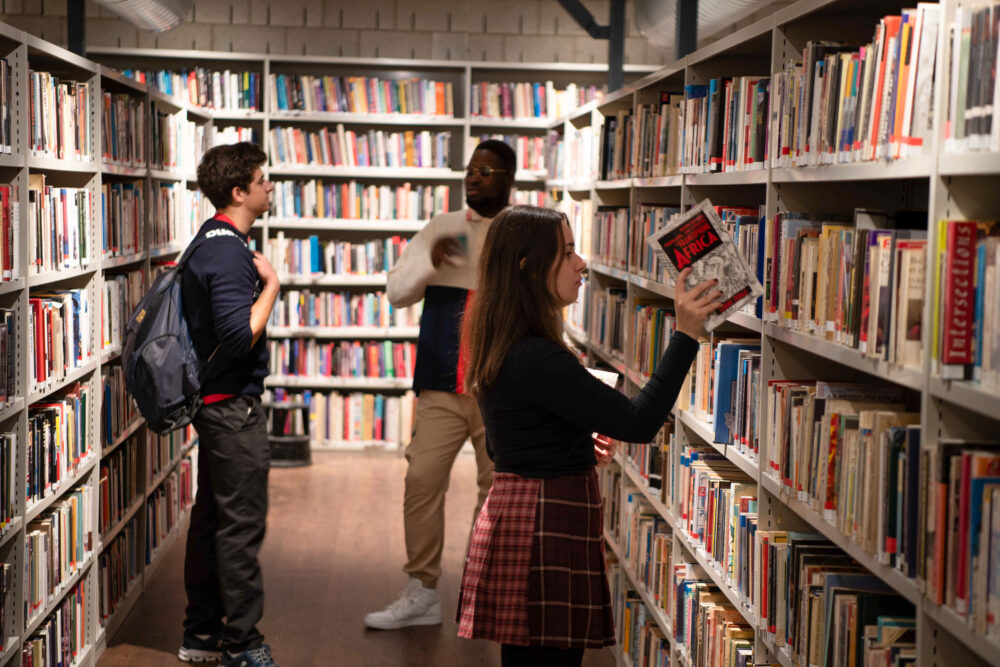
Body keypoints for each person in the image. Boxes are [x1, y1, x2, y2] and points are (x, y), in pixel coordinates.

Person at [456, 205, 722, 666]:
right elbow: (639, 422)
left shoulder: (504, 341)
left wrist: (572, 439)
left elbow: (504, 444)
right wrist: (685, 336)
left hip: (526, 514)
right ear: (529, 266)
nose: (581, 264)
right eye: (566, 252)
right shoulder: (539, 357)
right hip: (544, 526)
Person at [363, 139, 516, 630]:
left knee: (496, 492)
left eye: (485, 171)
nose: (473, 178)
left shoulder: (521, 233)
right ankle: (422, 590)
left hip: (501, 390)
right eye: (470, 170)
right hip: (440, 386)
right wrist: (431, 260)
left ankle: (482, 587)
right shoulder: (441, 227)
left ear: (508, 179)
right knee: (421, 481)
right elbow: (396, 293)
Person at [177, 142, 280, 667]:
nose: (270, 187)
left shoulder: (212, 240)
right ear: (239, 192)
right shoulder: (227, 251)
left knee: (214, 518)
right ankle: (242, 643)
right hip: (231, 408)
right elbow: (239, 338)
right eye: (262, 180)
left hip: (218, 404)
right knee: (240, 525)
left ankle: (201, 633)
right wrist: (273, 286)